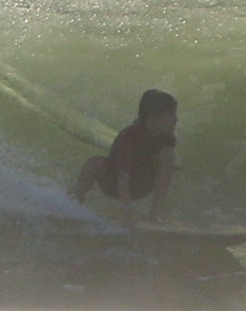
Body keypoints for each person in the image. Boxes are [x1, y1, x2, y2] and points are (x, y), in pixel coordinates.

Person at [69, 89, 178, 223]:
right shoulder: (130, 136)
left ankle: (154, 215)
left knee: (167, 155)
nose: (176, 120)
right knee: (95, 163)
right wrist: (127, 209)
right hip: (113, 183)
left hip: (140, 185)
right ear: (154, 117)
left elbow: (163, 167)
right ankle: (72, 203)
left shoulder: (168, 139)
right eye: (171, 115)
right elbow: (123, 177)